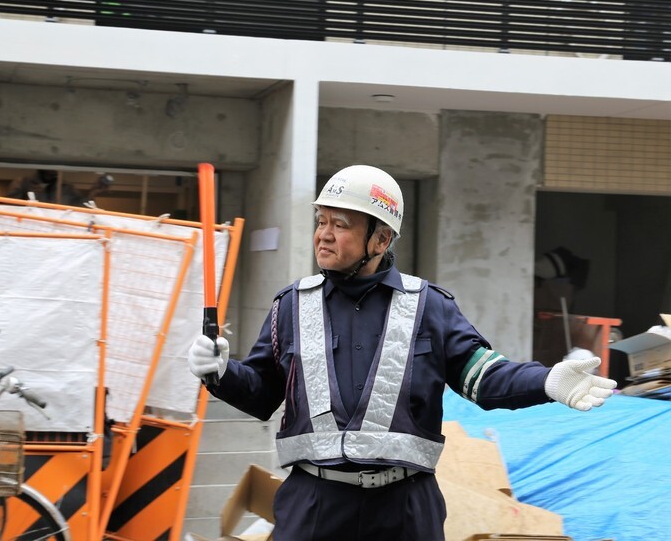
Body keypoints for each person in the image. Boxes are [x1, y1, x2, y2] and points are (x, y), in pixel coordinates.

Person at [187, 164, 617, 541]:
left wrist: (547, 380)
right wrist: (220, 372)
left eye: (340, 224)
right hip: (313, 504)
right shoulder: (292, 305)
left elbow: (485, 378)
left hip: (405, 509)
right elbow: (263, 393)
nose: (324, 235)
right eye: (321, 221)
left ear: (381, 237)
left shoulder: (430, 306)